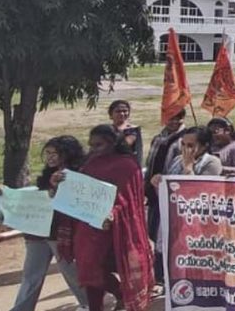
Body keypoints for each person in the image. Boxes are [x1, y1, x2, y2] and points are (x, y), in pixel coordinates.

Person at [57, 125, 153, 311]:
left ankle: (122, 297)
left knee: (110, 267)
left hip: (116, 227)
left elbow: (130, 198)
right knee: (88, 269)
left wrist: (114, 212)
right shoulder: (90, 162)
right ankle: (107, 301)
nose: (93, 149)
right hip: (88, 227)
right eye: (91, 145)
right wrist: (58, 183)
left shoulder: (127, 165)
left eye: (98, 145)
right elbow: (79, 190)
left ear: (112, 143)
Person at [10, 136, 88, 311]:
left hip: (60, 233)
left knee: (70, 272)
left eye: (55, 153)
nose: (50, 157)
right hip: (38, 232)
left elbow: (72, 203)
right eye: (48, 153)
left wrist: (55, 187)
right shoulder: (47, 174)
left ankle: (89, 303)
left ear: (68, 154)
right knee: (31, 275)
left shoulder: (79, 174)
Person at [144, 109, 185, 288]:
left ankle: (163, 275)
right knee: (152, 233)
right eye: (169, 118)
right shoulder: (158, 137)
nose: (172, 121)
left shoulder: (184, 139)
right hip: (153, 194)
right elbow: (150, 162)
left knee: (165, 236)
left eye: (176, 118)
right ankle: (155, 272)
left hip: (170, 195)